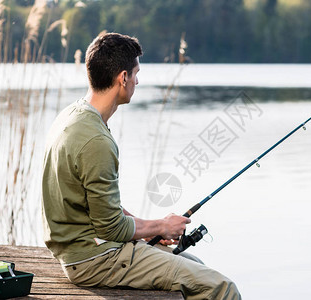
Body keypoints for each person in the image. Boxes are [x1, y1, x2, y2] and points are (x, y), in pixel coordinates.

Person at [41, 32, 241, 300]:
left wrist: (145, 231)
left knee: (195, 264)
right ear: (122, 78)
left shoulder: (72, 116)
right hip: (95, 258)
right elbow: (110, 228)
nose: (137, 80)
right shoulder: (96, 141)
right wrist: (160, 226)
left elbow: (100, 207)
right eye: (135, 73)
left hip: (84, 248)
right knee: (223, 288)